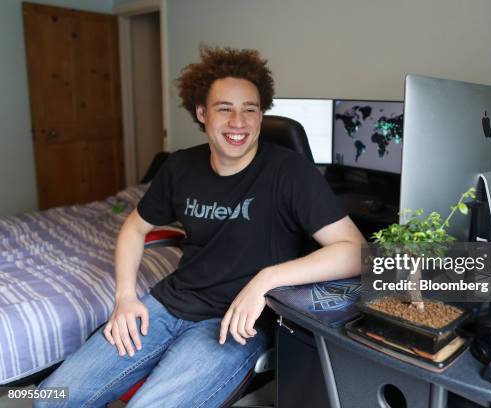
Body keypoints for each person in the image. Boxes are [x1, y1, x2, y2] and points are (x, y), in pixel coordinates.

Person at [35, 45, 365, 407]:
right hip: (167, 304)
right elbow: (133, 228)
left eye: (249, 110)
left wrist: (267, 279)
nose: (238, 122)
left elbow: (356, 251)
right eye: (225, 109)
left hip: (234, 324)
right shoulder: (179, 167)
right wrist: (125, 298)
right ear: (202, 113)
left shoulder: (290, 172)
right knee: (50, 396)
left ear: (260, 115)